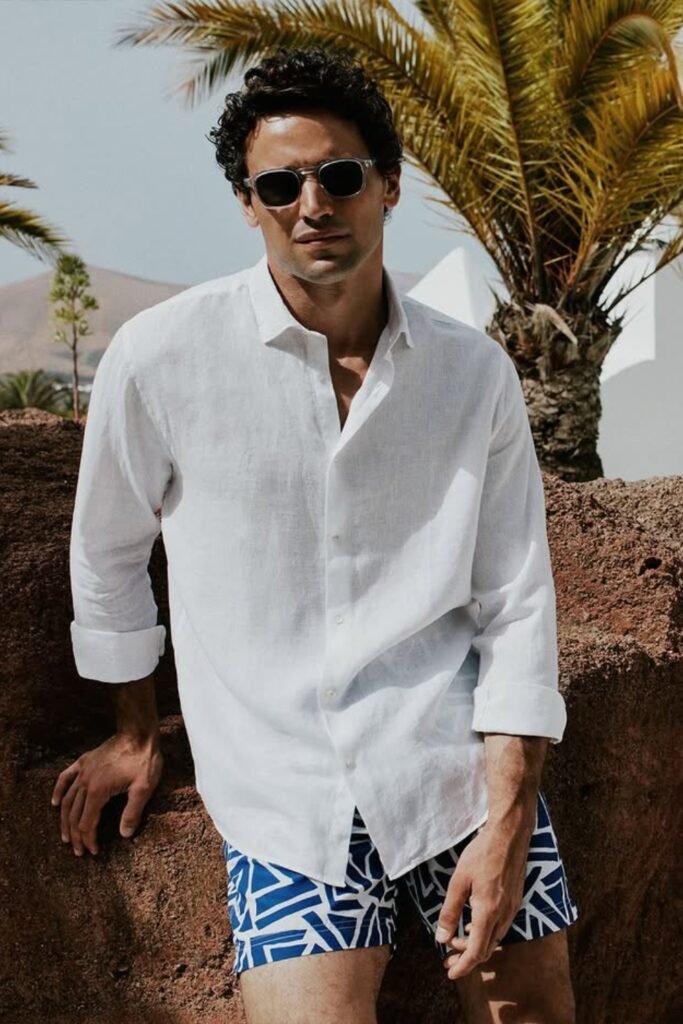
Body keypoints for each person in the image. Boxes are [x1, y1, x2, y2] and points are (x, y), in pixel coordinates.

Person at [51, 46, 578, 1024]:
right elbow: (108, 550)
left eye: (339, 176)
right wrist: (134, 730)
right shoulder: (161, 357)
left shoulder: (472, 374)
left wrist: (508, 821)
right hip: (280, 793)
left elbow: (514, 603)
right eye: (278, 185)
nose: (311, 205)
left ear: (388, 185)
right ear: (246, 202)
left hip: (452, 769)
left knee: (535, 1011)